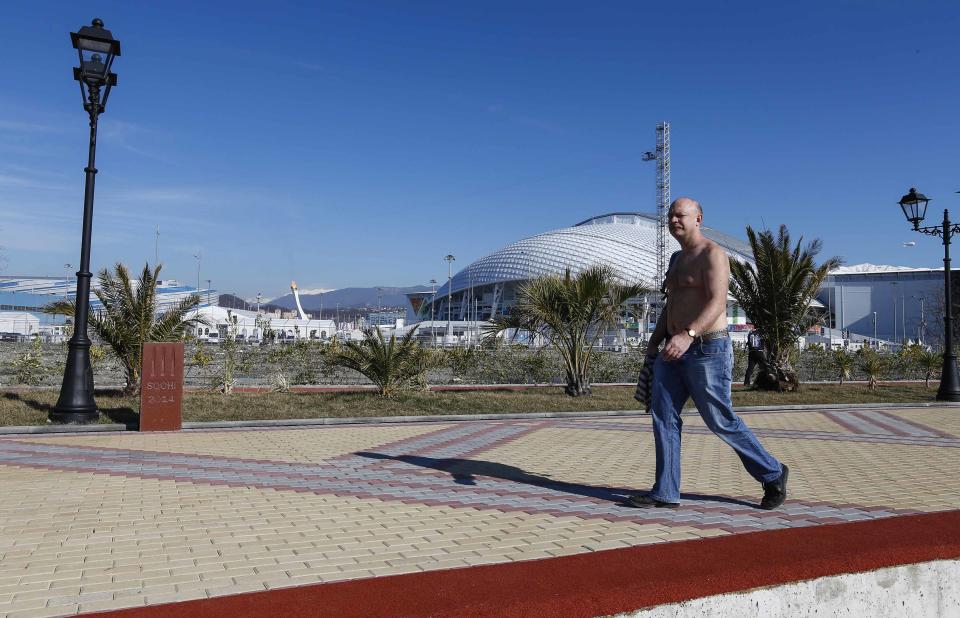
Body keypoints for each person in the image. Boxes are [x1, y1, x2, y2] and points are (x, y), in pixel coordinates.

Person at [626, 197, 788, 510]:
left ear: (698, 218)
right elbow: (671, 306)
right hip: (673, 350)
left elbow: (717, 302)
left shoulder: (713, 254)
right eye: (671, 215)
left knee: (719, 419)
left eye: (681, 215)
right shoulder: (675, 259)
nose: (674, 220)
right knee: (664, 417)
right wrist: (654, 341)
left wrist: (687, 335)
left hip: (706, 348)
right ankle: (665, 492)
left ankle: (772, 472)